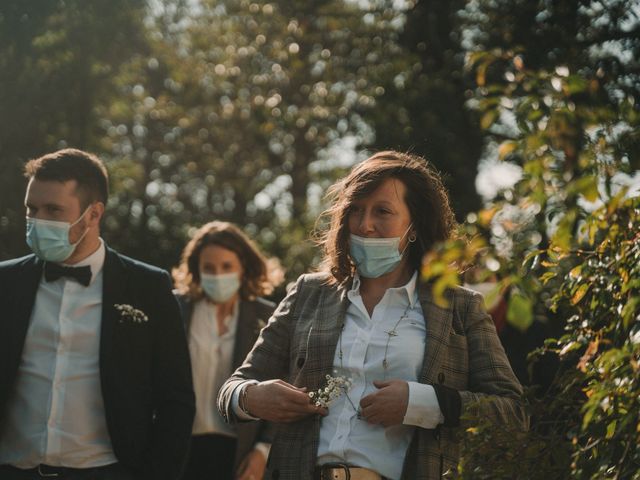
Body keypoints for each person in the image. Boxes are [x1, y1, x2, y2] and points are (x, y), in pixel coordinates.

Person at [218, 151, 527, 480]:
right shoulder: (308, 293)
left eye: (382, 211)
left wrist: (422, 402)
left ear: (414, 226)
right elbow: (231, 390)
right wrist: (251, 398)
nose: (365, 224)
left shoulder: (459, 308)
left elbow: (514, 413)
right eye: (355, 210)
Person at [0, 149, 195, 480]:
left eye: (53, 210)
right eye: (32, 209)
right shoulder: (6, 282)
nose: (37, 220)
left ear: (93, 214)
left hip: (106, 471)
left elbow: (175, 399)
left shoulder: (147, 287)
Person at [173, 221, 281, 480]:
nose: (218, 275)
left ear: (243, 268)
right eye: (208, 268)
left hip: (239, 451)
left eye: (226, 267)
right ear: (196, 270)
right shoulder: (175, 308)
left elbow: (283, 383)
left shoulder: (268, 316)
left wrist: (263, 451)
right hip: (181, 448)